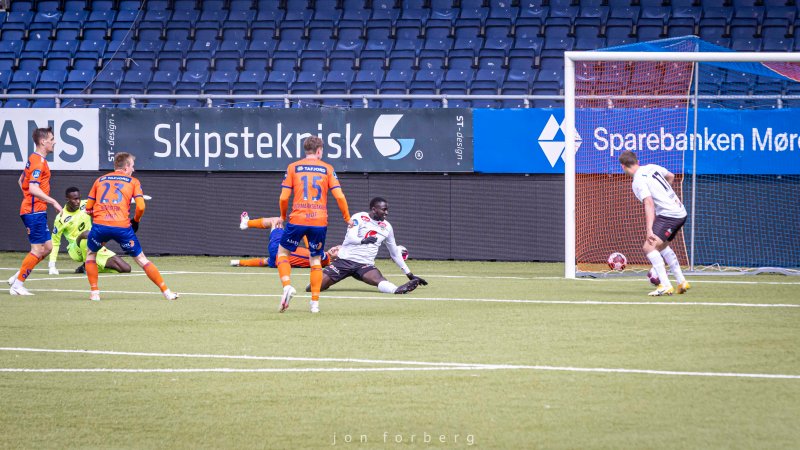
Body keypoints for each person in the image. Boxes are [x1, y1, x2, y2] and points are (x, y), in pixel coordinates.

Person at [83, 152, 178, 301]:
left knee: (90, 255)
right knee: (141, 259)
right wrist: (136, 221)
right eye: (132, 166)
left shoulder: (99, 180)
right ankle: (167, 292)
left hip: (100, 225)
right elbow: (140, 207)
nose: (133, 169)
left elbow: (88, 208)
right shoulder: (133, 181)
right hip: (122, 227)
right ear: (126, 166)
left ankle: (94, 293)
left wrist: (99, 221)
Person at [276, 135, 351, 313]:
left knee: (283, 253)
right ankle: (314, 303)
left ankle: (287, 286)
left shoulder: (293, 167)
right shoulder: (327, 169)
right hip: (319, 220)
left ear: (306, 150)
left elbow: (284, 197)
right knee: (316, 259)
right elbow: (339, 196)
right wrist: (347, 218)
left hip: (298, 218)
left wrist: (282, 215)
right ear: (319, 151)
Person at [309, 197, 427, 296]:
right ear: (374, 209)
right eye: (384, 210)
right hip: (344, 261)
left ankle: (397, 290)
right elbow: (351, 237)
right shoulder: (359, 217)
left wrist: (409, 274)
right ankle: (328, 281)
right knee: (312, 288)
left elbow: (394, 253)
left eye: (387, 210)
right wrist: (364, 241)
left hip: (365, 265)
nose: (387, 213)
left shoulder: (387, 227)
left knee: (380, 281)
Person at [619, 150, 690, 296]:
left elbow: (649, 203)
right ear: (637, 161)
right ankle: (682, 281)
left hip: (669, 215)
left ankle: (665, 285)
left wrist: (649, 229)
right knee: (662, 246)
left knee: (648, 247)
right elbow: (671, 176)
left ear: (623, 166)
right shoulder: (651, 167)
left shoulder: (638, 180)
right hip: (680, 211)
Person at [9, 127, 63, 296]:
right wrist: (52, 200)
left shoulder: (34, 159)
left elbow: (21, 180)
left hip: (35, 209)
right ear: (43, 141)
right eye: (52, 138)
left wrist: (31, 197)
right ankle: (17, 286)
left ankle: (17, 277)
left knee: (47, 247)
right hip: (33, 211)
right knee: (37, 250)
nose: (54, 141)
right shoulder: (38, 162)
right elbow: (32, 187)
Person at [49, 187, 131, 274]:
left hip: (93, 243)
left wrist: (124, 200)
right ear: (67, 199)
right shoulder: (61, 218)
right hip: (75, 249)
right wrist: (52, 266)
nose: (78, 201)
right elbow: (55, 242)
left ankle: (87, 267)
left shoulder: (86, 204)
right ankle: (88, 264)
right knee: (86, 234)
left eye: (79, 198)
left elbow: (105, 202)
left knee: (125, 268)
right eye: (75, 199)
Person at [231, 212, 340, 268]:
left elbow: (313, 245)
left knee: (276, 221)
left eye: (338, 250)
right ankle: (238, 262)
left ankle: (246, 223)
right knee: (266, 261)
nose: (335, 248)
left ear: (337, 259)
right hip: (281, 259)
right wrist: (240, 262)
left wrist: (303, 229)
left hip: (280, 249)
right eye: (337, 246)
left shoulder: (324, 258)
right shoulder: (317, 255)